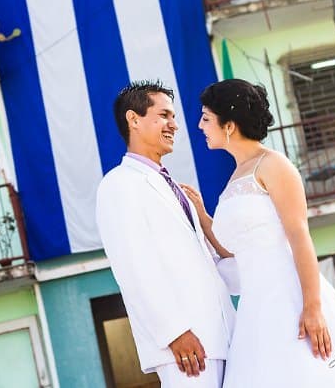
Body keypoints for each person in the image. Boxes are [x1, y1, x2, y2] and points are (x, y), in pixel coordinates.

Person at [181, 78, 335, 387]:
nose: (199, 125)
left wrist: (312, 308)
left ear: (230, 125)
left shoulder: (275, 165)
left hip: (289, 296)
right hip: (255, 308)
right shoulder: (236, 175)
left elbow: (300, 236)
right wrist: (202, 214)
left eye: (206, 118)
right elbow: (234, 251)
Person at [95, 80, 236, 387]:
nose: (174, 125)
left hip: (223, 337)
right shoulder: (118, 185)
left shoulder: (177, 189)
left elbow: (205, 262)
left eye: (173, 117)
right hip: (186, 346)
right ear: (134, 119)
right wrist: (175, 332)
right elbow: (133, 268)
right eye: (164, 116)